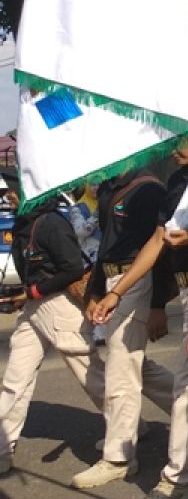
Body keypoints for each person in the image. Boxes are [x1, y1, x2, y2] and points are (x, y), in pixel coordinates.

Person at [89, 126, 188, 499]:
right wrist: (113, 293)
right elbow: (157, 241)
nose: (172, 153)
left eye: (178, 144)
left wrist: (154, 304)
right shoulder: (173, 184)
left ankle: (171, 479)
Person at [73, 168, 176, 489]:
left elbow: (161, 249)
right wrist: (95, 292)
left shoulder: (148, 189)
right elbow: (106, 247)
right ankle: (186, 402)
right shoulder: (107, 189)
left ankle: (118, 457)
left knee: (121, 369)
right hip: (113, 281)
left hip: (135, 281)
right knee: (129, 362)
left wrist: (159, 303)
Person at [0, 183, 107, 476]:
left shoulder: (51, 224)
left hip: (59, 306)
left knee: (92, 377)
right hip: (34, 308)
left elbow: (72, 268)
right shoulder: (26, 224)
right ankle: (2, 451)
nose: (8, 198)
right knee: (14, 382)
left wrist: (32, 292)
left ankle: (130, 427)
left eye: (14, 193)